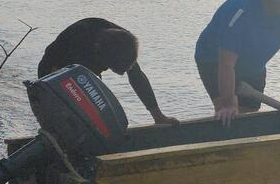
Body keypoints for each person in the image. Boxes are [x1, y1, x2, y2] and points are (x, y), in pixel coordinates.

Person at [37, 18, 179, 125]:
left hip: (88, 67)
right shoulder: (79, 40)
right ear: (99, 55)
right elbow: (58, 79)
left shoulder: (124, 41)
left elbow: (137, 76)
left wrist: (158, 116)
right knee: (64, 120)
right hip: (53, 68)